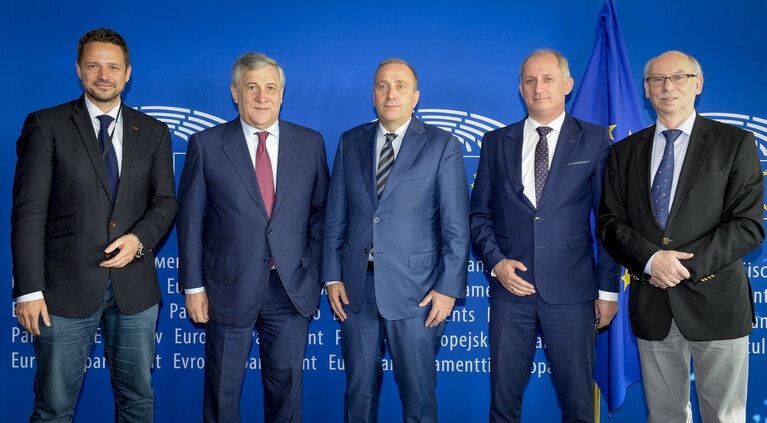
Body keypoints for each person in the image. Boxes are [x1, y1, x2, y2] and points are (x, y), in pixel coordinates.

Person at [11, 28, 177, 422]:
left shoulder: (153, 131)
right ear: (79, 70)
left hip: (135, 291)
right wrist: (28, 291)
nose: (104, 75)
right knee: (53, 407)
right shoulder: (46, 125)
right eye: (94, 66)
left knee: (138, 401)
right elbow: (29, 212)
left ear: (128, 73)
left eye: (113, 67)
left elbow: (166, 202)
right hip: (62, 294)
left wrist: (137, 239)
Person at [597, 50, 764, 423]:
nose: (667, 86)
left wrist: (683, 267)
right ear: (646, 89)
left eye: (679, 77)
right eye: (657, 79)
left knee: (725, 417)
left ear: (698, 84)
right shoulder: (624, 152)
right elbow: (610, 223)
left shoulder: (734, 143)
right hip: (652, 305)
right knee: (665, 417)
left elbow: (748, 225)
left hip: (716, 305)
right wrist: (653, 260)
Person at [177, 52, 330, 423]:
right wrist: (193, 288)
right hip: (226, 290)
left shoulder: (310, 143)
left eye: (271, 88)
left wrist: (310, 271)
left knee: (286, 397)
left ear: (282, 94)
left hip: (289, 291)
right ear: (235, 92)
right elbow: (191, 220)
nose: (262, 96)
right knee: (222, 394)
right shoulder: (206, 144)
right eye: (252, 87)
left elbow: (322, 215)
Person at [470, 49, 621, 423]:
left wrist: (607, 290)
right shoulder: (494, 142)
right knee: (503, 404)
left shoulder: (595, 140)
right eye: (531, 80)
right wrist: (497, 263)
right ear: (520, 88)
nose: (539, 88)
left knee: (578, 406)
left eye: (548, 79)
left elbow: (608, 221)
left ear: (567, 85)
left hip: (573, 295)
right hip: (511, 293)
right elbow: (478, 215)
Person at [322, 58, 469, 423]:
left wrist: (448, 290)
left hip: (417, 295)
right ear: (373, 95)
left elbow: (456, 228)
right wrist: (331, 276)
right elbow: (335, 218)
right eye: (383, 86)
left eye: (401, 86)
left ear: (416, 96)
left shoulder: (442, 145)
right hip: (357, 291)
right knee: (358, 396)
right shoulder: (349, 141)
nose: (391, 94)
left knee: (419, 398)